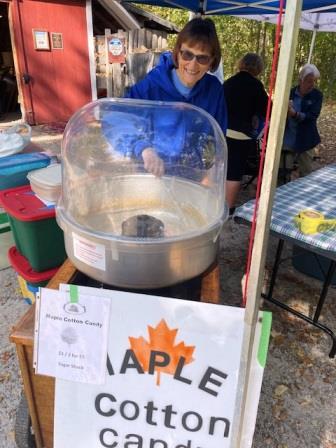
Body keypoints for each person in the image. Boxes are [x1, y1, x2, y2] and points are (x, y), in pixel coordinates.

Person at [103, 18, 227, 177]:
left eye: (202, 58)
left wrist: (210, 172)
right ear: (178, 52)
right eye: (187, 54)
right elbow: (115, 119)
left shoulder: (214, 91)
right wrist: (143, 148)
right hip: (153, 176)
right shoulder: (150, 87)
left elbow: (217, 136)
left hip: (192, 178)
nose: (193, 65)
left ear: (212, 61)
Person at [223, 53, 269, 214]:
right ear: (258, 68)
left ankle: (216, 201)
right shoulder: (256, 86)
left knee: (222, 168)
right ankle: (228, 208)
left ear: (241, 63)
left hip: (223, 131)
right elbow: (267, 109)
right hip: (242, 134)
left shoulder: (229, 82)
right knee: (235, 172)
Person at [281, 63, 323, 180]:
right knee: (283, 174)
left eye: (314, 81)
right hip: (288, 139)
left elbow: (312, 116)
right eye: (309, 81)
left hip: (306, 140)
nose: (312, 85)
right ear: (300, 80)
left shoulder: (317, 95)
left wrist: (295, 114)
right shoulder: (289, 93)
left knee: (306, 175)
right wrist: (285, 110)